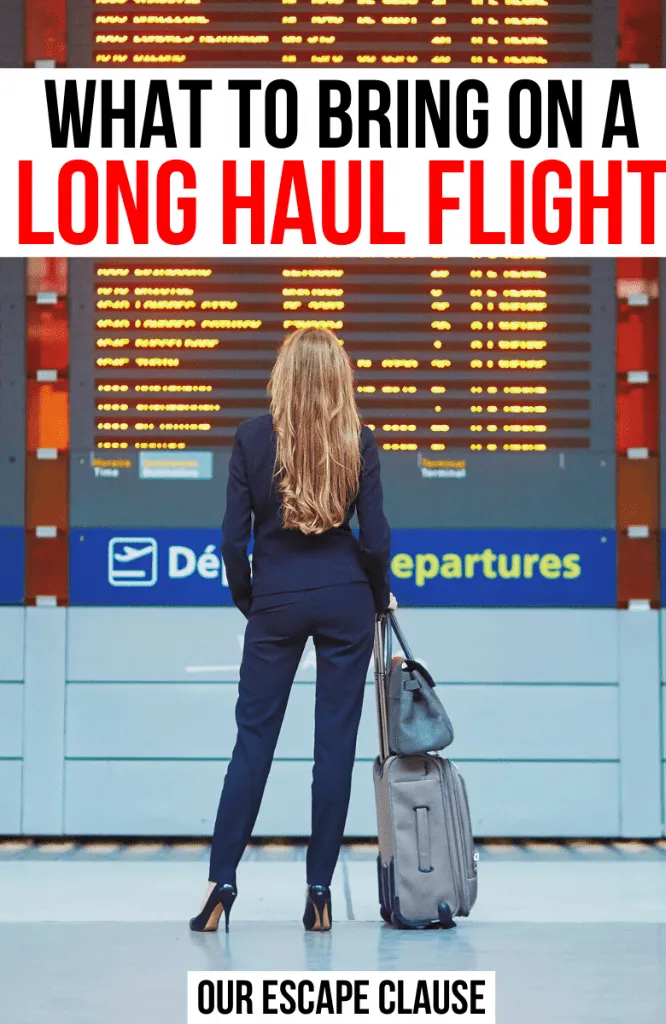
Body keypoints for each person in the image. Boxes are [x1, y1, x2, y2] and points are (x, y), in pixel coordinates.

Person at [190, 327, 396, 934]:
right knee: (333, 747)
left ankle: (221, 885)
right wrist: (378, 595)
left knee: (253, 741)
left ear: (282, 376)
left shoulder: (252, 438)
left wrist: (251, 599)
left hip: (275, 597)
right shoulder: (359, 440)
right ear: (340, 377)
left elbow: (232, 539)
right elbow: (378, 539)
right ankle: (319, 892)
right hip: (345, 600)